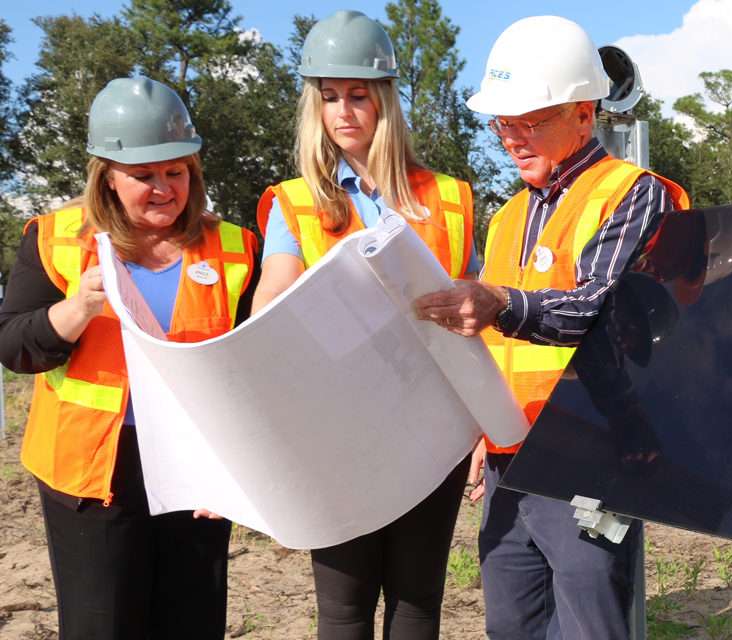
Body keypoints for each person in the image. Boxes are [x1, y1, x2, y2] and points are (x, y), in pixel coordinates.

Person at [413, 15, 690, 640]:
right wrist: (485, 431)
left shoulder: (631, 193)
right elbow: (495, 342)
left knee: (591, 627)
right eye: (504, 123)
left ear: (585, 114)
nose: (511, 138)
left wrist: (502, 301)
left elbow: (594, 307)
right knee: (513, 626)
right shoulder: (508, 215)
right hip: (514, 457)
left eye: (531, 121)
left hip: (589, 452)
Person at [0, 76, 258, 639]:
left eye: (177, 171)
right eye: (144, 176)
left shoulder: (236, 246)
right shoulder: (54, 239)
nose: (164, 188)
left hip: (197, 469)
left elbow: (255, 365)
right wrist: (75, 310)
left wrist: (236, 466)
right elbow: (13, 346)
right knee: (103, 624)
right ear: (107, 178)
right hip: (90, 472)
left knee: (190, 621)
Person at [250, 10, 475, 640]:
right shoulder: (296, 203)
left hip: (433, 423)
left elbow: (474, 318)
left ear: (385, 101)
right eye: (329, 98)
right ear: (314, 107)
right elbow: (270, 297)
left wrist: (483, 424)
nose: (344, 111)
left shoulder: (451, 199)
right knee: (344, 607)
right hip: (337, 427)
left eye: (358, 95)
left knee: (417, 599)